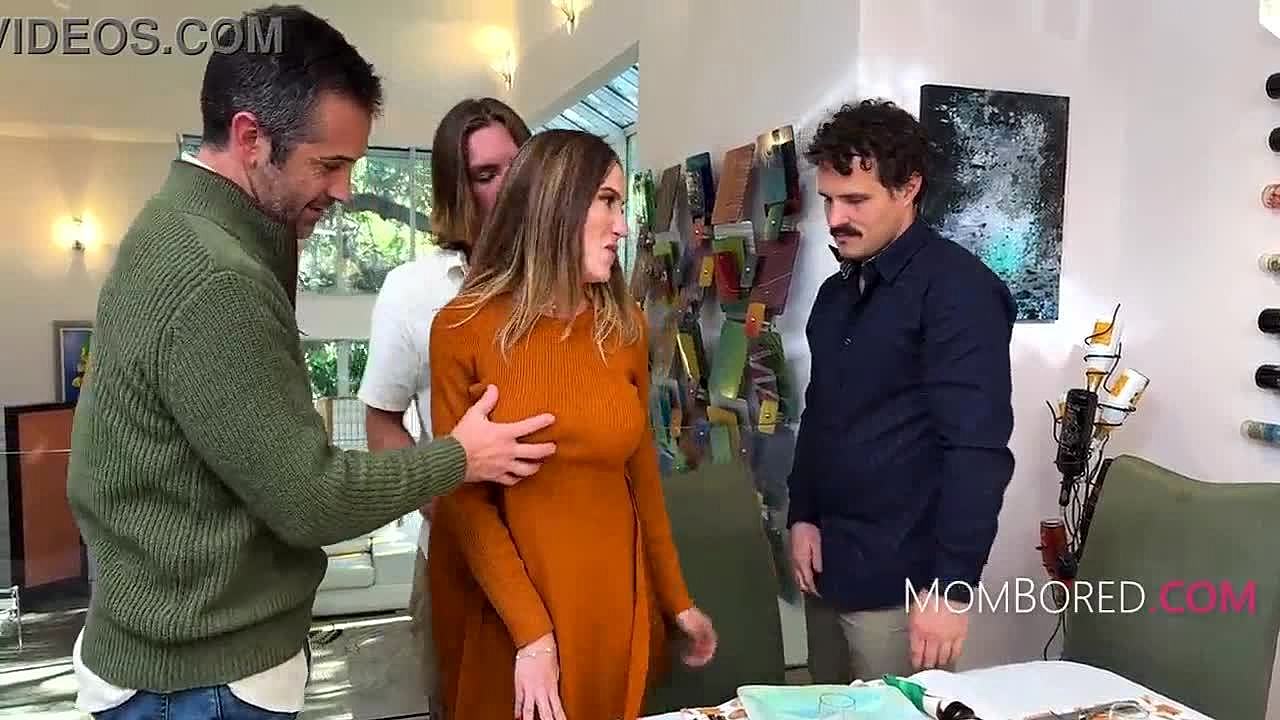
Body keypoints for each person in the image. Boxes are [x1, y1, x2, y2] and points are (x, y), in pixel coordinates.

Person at [65, 7, 555, 720]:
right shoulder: (216, 276)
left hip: (181, 659)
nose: (345, 191)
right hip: (201, 681)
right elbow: (309, 498)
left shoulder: (182, 229)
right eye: (328, 165)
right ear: (250, 139)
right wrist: (459, 457)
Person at [427, 129, 718, 720]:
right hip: (506, 611)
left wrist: (677, 600)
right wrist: (532, 634)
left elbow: (642, 475)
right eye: (607, 201)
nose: (622, 226)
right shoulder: (462, 328)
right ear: (554, 203)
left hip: (611, 601)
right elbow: (463, 502)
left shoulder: (625, 326)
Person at [787, 99, 1015, 682]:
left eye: (855, 200)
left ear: (908, 187)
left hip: (904, 588)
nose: (835, 218)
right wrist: (803, 513)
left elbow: (977, 450)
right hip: (829, 564)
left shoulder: (959, 291)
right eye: (828, 200)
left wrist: (952, 588)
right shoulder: (836, 293)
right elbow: (821, 414)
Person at [358, 97, 531, 717]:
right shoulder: (415, 290)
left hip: (559, 550)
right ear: (459, 189)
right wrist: (442, 507)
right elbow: (381, 420)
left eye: (517, 165)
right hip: (458, 558)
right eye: (486, 175)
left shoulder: (576, 278)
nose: (508, 185)